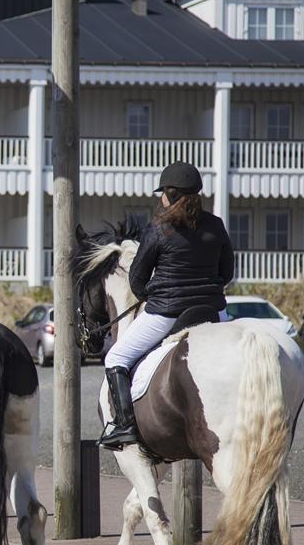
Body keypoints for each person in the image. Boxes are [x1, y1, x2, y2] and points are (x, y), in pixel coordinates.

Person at [99, 161, 233, 451]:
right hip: (213, 311)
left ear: (170, 195)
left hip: (167, 314)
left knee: (116, 358)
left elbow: (136, 279)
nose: (160, 198)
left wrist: (154, 294)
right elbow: (228, 273)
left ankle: (124, 427)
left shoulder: (158, 228)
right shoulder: (216, 225)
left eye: (162, 193)